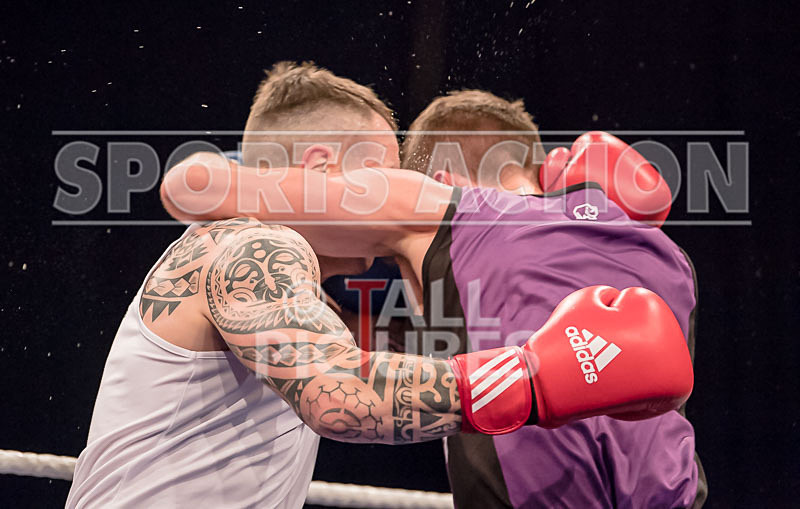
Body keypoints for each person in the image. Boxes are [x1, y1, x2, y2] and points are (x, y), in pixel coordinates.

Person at [67, 64, 692, 508]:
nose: (394, 230)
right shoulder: (251, 245)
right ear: (322, 171)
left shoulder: (305, 296)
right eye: (384, 174)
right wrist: (533, 378)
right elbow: (340, 397)